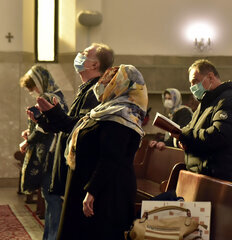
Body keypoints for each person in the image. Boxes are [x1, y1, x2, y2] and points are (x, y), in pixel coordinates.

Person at [58, 65, 148, 240]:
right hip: (92, 185)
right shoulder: (104, 110)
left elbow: (111, 158)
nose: (101, 86)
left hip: (108, 192)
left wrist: (92, 191)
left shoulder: (122, 116)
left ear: (121, 85)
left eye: (108, 83)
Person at [30, 43, 114, 200]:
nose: (79, 55)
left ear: (95, 64)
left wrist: (54, 113)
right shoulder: (86, 89)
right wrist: (43, 119)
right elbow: (67, 126)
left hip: (83, 169)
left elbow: (82, 127)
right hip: (74, 166)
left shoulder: (96, 91)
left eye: (85, 53)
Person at [173, 59, 232, 182]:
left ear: (210, 77)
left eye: (195, 81)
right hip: (198, 175)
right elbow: (190, 129)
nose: (192, 87)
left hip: (215, 178)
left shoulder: (229, 101)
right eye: (190, 83)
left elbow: (218, 135)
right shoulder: (205, 103)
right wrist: (180, 139)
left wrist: (184, 135)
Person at [19, 65, 68, 240]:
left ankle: (53, 236)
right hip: (51, 154)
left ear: (40, 82)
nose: (32, 91)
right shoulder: (56, 95)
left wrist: (27, 140)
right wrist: (29, 132)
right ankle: (49, 236)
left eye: (33, 87)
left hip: (51, 156)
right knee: (50, 198)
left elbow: (44, 129)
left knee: (53, 199)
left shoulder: (49, 97)